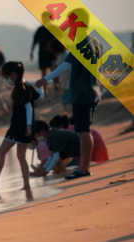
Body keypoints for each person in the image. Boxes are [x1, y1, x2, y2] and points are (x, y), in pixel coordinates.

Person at [36, 51, 99, 179]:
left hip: (82, 93)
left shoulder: (81, 44)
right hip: (91, 91)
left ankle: (84, 169)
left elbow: (66, 64)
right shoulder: (95, 43)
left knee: (83, 131)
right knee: (84, 131)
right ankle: (83, 167)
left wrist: (45, 79)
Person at [0, 61, 43, 192]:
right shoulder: (26, 86)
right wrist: (40, 86)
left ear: (14, 75)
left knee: (1, 151)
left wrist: (27, 125)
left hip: (19, 127)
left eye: (7, 76)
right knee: (21, 156)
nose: (7, 80)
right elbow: (40, 97)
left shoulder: (22, 88)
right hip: (25, 126)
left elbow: (28, 107)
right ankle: (26, 185)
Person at [30, 26, 59, 95]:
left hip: (51, 53)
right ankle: (45, 91)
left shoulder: (53, 28)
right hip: (42, 54)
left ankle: (56, 85)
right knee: (44, 73)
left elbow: (58, 39)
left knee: (54, 71)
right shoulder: (40, 30)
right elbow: (35, 41)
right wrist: (31, 52)